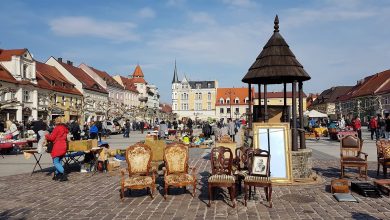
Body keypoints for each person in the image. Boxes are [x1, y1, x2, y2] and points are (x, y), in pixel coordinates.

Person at [45, 117, 69, 181]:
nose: (55, 122)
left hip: (58, 145)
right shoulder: (65, 128)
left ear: (57, 121)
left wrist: (46, 135)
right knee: (59, 160)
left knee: (55, 161)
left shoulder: (57, 128)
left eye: (55, 121)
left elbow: (52, 138)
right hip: (64, 145)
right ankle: (58, 174)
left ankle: (63, 173)